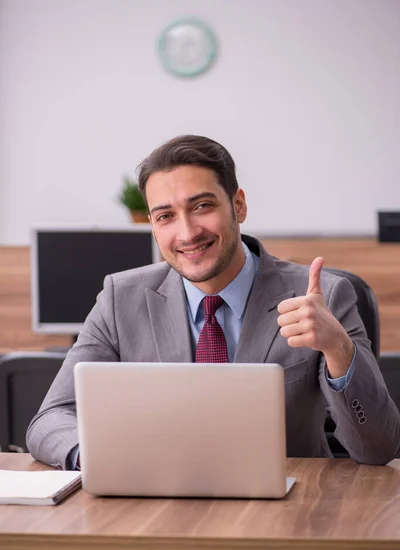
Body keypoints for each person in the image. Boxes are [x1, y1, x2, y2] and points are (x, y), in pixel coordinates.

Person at [27, 135, 400, 469]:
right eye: (166, 216)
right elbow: (51, 418)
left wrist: (337, 347)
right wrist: (95, 456)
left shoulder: (322, 296)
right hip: (155, 511)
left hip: (288, 515)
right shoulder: (119, 298)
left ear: (238, 205)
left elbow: (380, 448)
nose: (187, 233)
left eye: (202, 206)